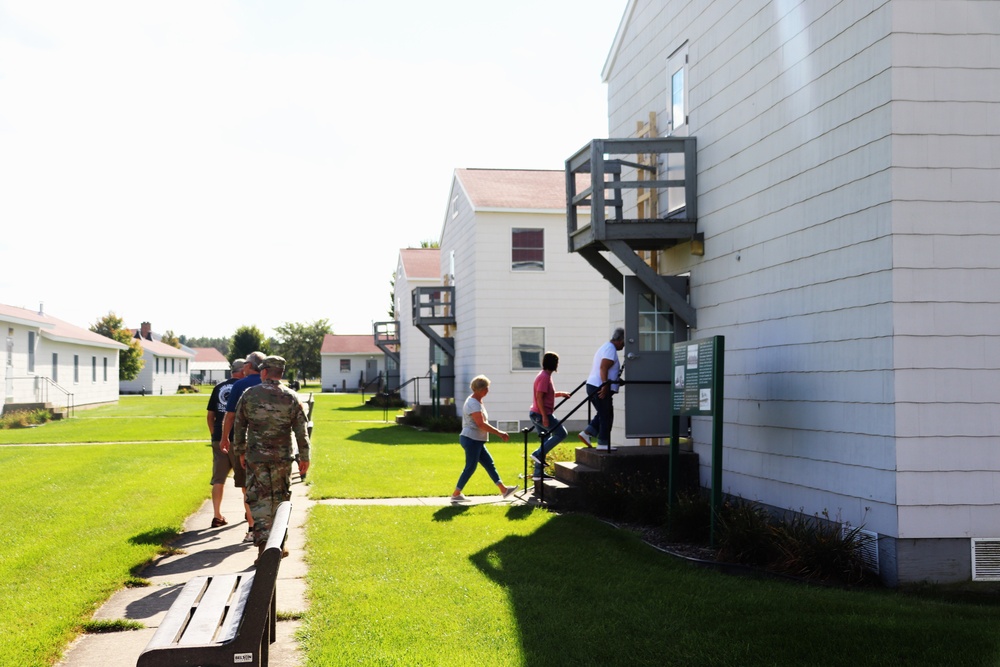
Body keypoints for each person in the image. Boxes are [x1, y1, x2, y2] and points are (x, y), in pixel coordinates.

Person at [232, 355, 310, 551]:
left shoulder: (250, 395)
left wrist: (240, 451)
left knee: (259, 501)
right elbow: (301, 429)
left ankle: (263, 548)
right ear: (281, 373)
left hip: (256, 458)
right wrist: (305, 456)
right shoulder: (291, 397)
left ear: (264, 372)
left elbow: (239, 425)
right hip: (282, 459)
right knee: (281, 499)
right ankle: (279, 546)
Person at [221, 350, 266, 542]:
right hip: (269, 443)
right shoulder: (268, 384)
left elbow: (230, 415)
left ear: (251, 366)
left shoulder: (240, 385)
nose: (243, 366)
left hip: (246, 444)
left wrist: (224, 438)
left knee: (247, 487)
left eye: (246, 363)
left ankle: (252, 528)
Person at [450, 375, 517, 503]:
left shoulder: (476, 401)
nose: (488, 390)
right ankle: (456, 494)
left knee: (489, 464)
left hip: (476, 439)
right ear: (481, 389)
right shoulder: (473, 403)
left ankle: (504, 490)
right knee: (470, 467)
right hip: (471, 439)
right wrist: (499, 433)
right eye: (487, 388)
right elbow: (481, 424)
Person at [205, 358, 247, 528]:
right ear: (243, 370)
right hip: (238, 438)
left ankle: (216, 515)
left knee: (218, 479)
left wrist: (216, 435)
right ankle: (249, 514)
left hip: (219, 438)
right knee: (244, 479)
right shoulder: (244, 387)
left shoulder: (219, 387)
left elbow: (210, 415)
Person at [579, 328, 625, 449]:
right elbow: (603, 368)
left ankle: (587, 433)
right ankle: (603, 443)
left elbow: (607, 370)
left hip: (593, 385)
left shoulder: (606, 347)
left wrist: (616, 381)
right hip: (599, 386)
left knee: (604, 412)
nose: (624, 346)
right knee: (606, 415)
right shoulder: (610, 349)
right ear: (620, 340)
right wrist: (605, 385)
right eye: (624, 343)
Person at [528, 352, 570, 481]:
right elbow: (539, 397)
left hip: (537, 413)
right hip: (541, 414)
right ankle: (537, 454)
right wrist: (545, 417)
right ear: (554, 363)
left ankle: (538, 474)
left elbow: (547, 394)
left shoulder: (544, 375)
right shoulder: (545, 377)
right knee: (561, 433)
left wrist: (561, 394)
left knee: (545, 440)